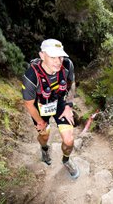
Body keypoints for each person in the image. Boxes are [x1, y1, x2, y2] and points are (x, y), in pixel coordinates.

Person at [21, 38, 79, 179]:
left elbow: (71, 84)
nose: (58, 61)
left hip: (59, 103)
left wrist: (68, 106)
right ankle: (45, 149)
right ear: (42, 55)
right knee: (44, 135)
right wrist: (40, 122)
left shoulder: (67, 65)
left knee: (69, 140)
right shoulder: (31, 76)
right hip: (40, 107)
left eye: (60, 56)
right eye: (52, 57)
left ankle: (66, 159)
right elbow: (28, 103)